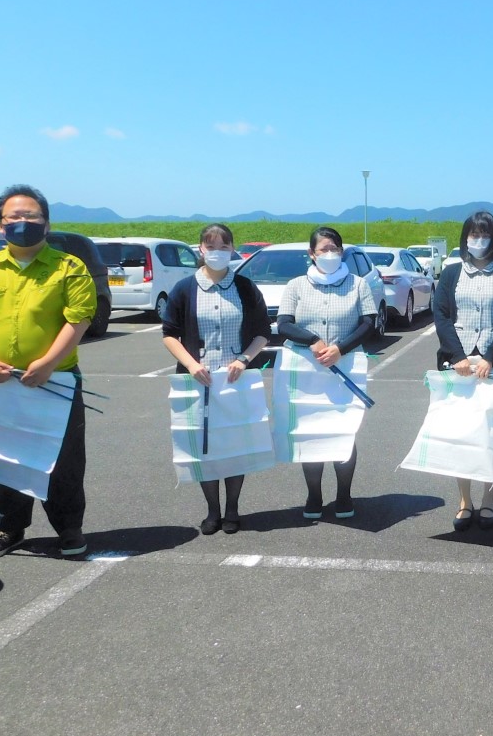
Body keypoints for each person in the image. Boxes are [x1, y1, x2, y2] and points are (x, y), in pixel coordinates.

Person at [0, 184, 97, 560]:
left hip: (56, 382)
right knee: (1, 457)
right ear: (1, 226)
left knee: (62, 460)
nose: (22, 222)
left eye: (30, 216)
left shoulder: (69, 267)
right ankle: (9, 528)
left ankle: (68, 528)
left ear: (46, 224)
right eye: (13, 217)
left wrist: (48, 363)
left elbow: (78, 317)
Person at [161, 223, 272, 535]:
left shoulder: (246, 288)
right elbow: (169, 335)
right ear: (201, 249)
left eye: (224, 247)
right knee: (205, 447)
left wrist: (244, 358)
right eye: (211, 247)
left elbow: (263, 331)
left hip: (236, 380)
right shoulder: (185, 288)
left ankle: (233, 508)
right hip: (199, 380)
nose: (218, 253)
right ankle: (212, 510)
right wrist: (191, 364)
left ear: (232, 249)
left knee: (235, 444)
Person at [275, 226, 378, 518]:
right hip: (307, 368)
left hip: (345, 366)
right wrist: (311, 340)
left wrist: (341, 348)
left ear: (341, 251)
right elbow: (283, 324)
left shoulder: (358, 284)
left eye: (334, 249)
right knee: (312, 431)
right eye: (324, 249)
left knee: (344, 431)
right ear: (312, 254)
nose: (330, 254)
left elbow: (368, 322)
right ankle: (314, 496)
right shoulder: (296, 285)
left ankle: (344, 496)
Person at [432, 210, 493, 530]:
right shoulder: (451, 273)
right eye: (473, 234)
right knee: (461, 432)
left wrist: (490, 357)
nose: (478, 240)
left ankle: (487, 498)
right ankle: (464, 500)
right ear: (465, 238)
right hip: (457, 365)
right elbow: (442, 316)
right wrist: (457, 355)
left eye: (484, 234)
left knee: (491, 434)